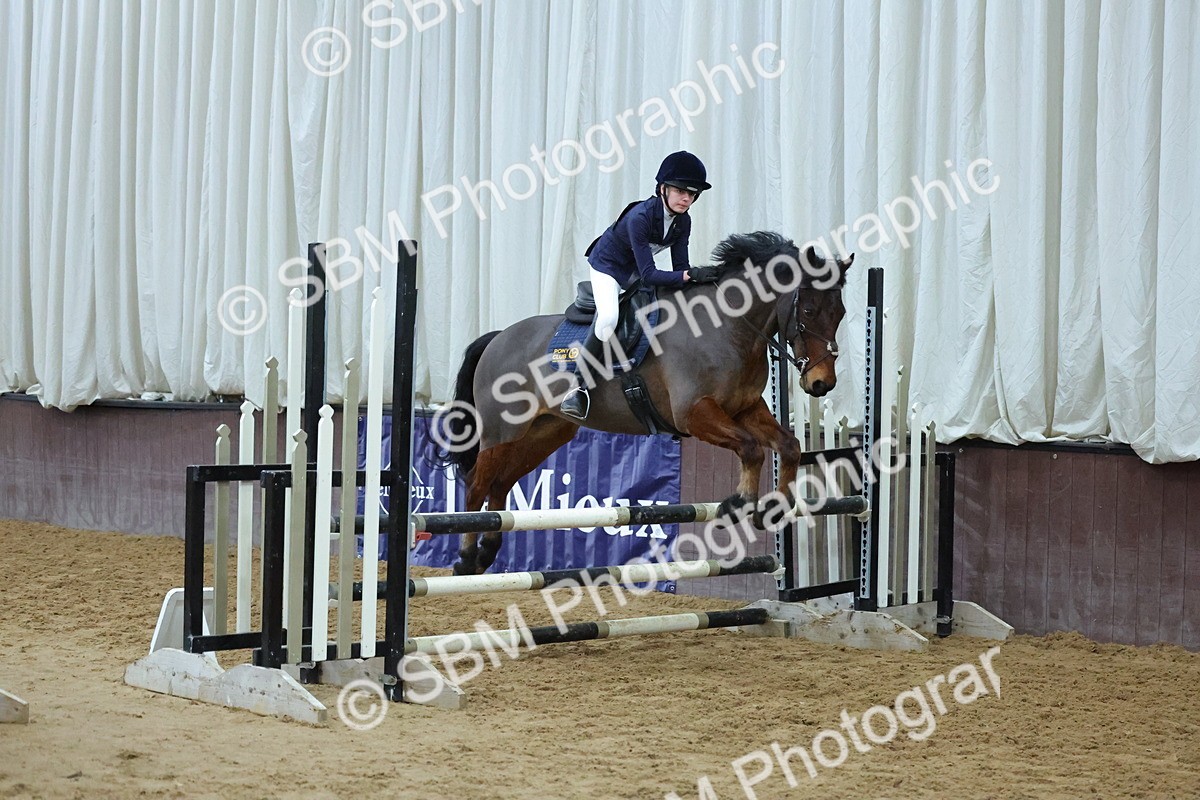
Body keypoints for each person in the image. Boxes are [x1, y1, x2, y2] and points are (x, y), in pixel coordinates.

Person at [560, 151, 722, 419]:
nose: (687, 198)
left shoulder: (684, 221)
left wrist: (698, 279)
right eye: (681, 191)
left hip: (634, 269)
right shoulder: (640, 217)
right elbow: (650, 275)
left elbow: (681, 268)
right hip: (608, 266)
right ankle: (577, 388)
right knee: (609, 318)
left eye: (693, 194)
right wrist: (688, 276)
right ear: (663, 189)